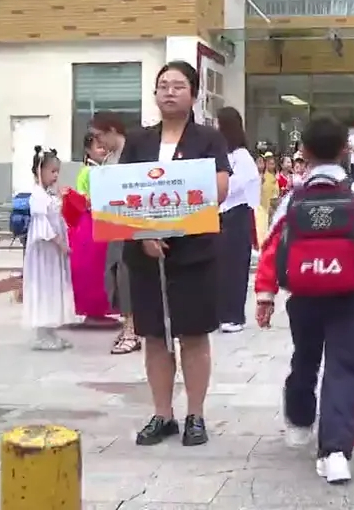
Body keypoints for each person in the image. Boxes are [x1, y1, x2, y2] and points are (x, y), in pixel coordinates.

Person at [253, 115, 354, 485]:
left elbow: (272, 248)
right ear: (345, 151)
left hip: (302, 296)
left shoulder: (292, 199)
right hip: (348, 297)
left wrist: (265, 296)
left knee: (305, 359)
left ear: (303, 152)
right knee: (345, 368)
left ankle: (299, 420)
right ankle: (335, 452)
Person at [121, 61, 231, 446]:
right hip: (145, 253)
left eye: (178, 85)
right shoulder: (138, 141)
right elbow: (121, 192)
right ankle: (162, 414)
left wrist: (175, 221)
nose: (169, 91)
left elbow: (219, 188)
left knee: (193, 335)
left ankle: (195, 415)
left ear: (193, 94)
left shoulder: (208, 139)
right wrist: (144, 234)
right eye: (163, 85)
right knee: (154, 336)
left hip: (193, 251)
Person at [89, 111, 140, 355]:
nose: (98, 143)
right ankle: (127, 323)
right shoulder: (110, 158)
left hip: (132, 225)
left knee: (127, 274)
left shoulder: (133, 153)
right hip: (112, 223)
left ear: (112, 130)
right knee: (114, 274)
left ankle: (133, 328)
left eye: (100, 136)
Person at [24, 147, 74, 351]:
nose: (55, 176)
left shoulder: (49, 194)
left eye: (57, 172)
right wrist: (59, 242)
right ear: (40, 171)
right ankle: (43, 334)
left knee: (54, 288)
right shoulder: (37, 196)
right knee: (44, 288)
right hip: (44, 253)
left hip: (53, 254)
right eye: (52, 171)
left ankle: (53, 331)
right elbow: (42, 227)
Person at [216, 107, 261, 334]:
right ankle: (220, 313)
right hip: (220, 214)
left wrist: (219, 187)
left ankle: (234, 315)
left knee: (235, 267)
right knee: (220, 268)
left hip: (237, 213)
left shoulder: (241, 156)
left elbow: (241, 184)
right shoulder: (221, 154)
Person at [67, 134, 115, 324]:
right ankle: (92, 311)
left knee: (102, 266)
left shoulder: (102, 170)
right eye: (99, 147)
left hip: (101, 220)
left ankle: (101, 310)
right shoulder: (87, 172)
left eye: (105, 146)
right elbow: (84, 199)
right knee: (92, 267)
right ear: (88, 150)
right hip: (91, 222)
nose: (103, 150)